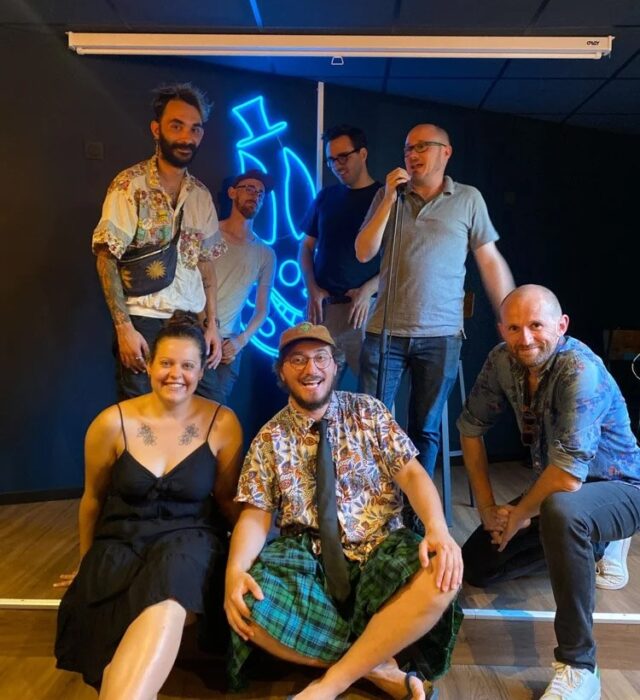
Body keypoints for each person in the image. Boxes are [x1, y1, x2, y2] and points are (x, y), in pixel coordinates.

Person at [224, 322, 463, 700]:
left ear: (335, 365)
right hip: (309, 558)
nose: (311, 369)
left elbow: (413, 475)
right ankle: (377, 668)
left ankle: (330, 683)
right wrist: (235, 571)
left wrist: (438, 529)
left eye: (321, 358)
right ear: (281, 371)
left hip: (381, 545)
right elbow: (256, 515)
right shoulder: (269, 438)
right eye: (298, 360)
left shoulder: (369, 412)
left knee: (441, 573)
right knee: (247, 605)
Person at [457, 285, 640, 700]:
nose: (525, 338)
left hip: (619, 487)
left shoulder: (580, 369)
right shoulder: (501, 360)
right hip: (556, 488)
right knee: (479, 565)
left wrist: (520, 515)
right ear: (502, 330)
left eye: (536, 325)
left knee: (562, 510)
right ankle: (587, 547)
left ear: (561, 325)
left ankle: (580, 666)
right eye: (514, 328)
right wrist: (488, 509)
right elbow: (470, 428)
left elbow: (569, 476)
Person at [54, 314, 243, 698]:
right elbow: (92, 500)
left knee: (171, 587)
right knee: (110, 609)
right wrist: (85, 561)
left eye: (187, 365)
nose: (177, 374)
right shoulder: (111, 423)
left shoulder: (222, 423)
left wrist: (250, 556)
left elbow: (227, 500)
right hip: (121, 540)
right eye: (167, 363)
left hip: (190, 538)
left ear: (201, 370)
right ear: (150, 365)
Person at [355, 123, 514, 479]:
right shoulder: (388, 196)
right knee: (369, 423)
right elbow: (364, 252)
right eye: (408, 148)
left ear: (446, 152)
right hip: (385, 332)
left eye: (422, 147)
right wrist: (388, 198)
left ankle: (416, 510)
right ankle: (372, 504)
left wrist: (509, 317)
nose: (412, 155)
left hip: (441, 335)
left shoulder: (468, 198)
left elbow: (489, 260)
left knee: (424, 429)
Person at [92, 82, 222, 400]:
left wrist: (212, 326)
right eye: (176, 126)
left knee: (203, 410)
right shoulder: (129, 185)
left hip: (190, 321)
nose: (186, 137)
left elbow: (205, 264)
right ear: (156, 129)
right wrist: (124, 327)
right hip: (143, 321)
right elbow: (106, 257)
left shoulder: (201, 195)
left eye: (194, 129)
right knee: (141, 413)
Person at [299, 125, 382, 381]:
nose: (336, 165)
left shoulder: (385, 198)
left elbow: (401, 260)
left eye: (343, 157)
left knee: (373, 393)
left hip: (366, 311)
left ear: (363, 154)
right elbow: (305, 247)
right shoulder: (326, 196)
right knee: (314, 389)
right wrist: (312, 288)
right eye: (331, 160)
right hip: (324, 311)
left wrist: (368, 290)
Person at [206, 169, 276, 404]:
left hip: (229, 345)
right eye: (249, 188)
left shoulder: (265, 253)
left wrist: (240, 341)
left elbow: (262, 309)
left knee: (216, 411)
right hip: (195, 333)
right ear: (232, 192)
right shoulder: (208, 234)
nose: (255, 195)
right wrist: (207, 328)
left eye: (261, 193)